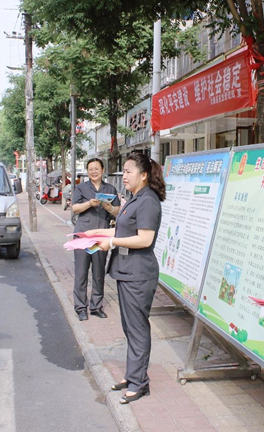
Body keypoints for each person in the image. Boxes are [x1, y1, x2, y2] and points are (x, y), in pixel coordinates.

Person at [87, 152, 166, 404]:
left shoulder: (148, 201)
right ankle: (133, 375)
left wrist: (110, 241)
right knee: (130, 327)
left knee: (138, 328)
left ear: (143, 175)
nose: (125, 175)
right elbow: (124, 229)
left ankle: (140, 382)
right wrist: (95, 233)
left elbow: (144, 239)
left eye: (129, 171)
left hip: (138, 274)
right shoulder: (134, 199)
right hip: (127, 271)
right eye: (124, 171)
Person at [71, 158, 120, 321]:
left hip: (101, 236)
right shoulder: (81, 187)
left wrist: (110, 208)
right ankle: (80, 307)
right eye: (90, 169)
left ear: (102, 170)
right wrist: (89, 204)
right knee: (81, 272)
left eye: (96, 168)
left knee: (99, 273)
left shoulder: (110, 188)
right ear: (87, 171)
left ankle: (96, 306)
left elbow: (117, 211)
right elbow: (75, 208)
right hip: (83, 235)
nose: (93, 171)